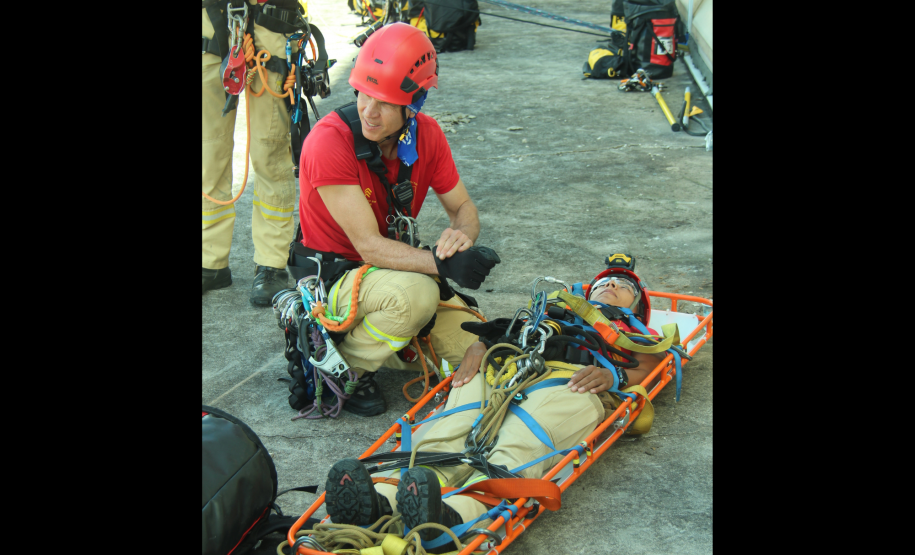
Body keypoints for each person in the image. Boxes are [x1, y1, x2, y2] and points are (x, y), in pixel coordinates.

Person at [321, 260, 669, 550]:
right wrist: (480, 345)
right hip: (506, 365)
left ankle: (453, 514)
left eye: (623, 286)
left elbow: (652, 365)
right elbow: (501, 332)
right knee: (449, 428)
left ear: (637, 306)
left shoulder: (632, 332)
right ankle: (383, 497)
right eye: (605, 282)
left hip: (572, 382)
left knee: (516, 444)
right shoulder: (550, 311)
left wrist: (614, 378)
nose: (611, 286)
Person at [293, 22, 500, 418]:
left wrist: (460, 239)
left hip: (390, 272)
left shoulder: (428, 137)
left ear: (414, 104)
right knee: (416, 298)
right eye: (363, 94)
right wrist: (440, 264)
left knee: (480, 345)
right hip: (337, 278)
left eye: (385, 102)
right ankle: (338, 366)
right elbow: (367, 246)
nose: (369, 111)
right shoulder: (327, 142)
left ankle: (394, 341)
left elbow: (463, 209)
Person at [202, 1, 303, 305]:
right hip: (210, 16)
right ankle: (210, 260)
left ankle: (271, 263)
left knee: (269, 149)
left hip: (270, 19)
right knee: (209, 149)